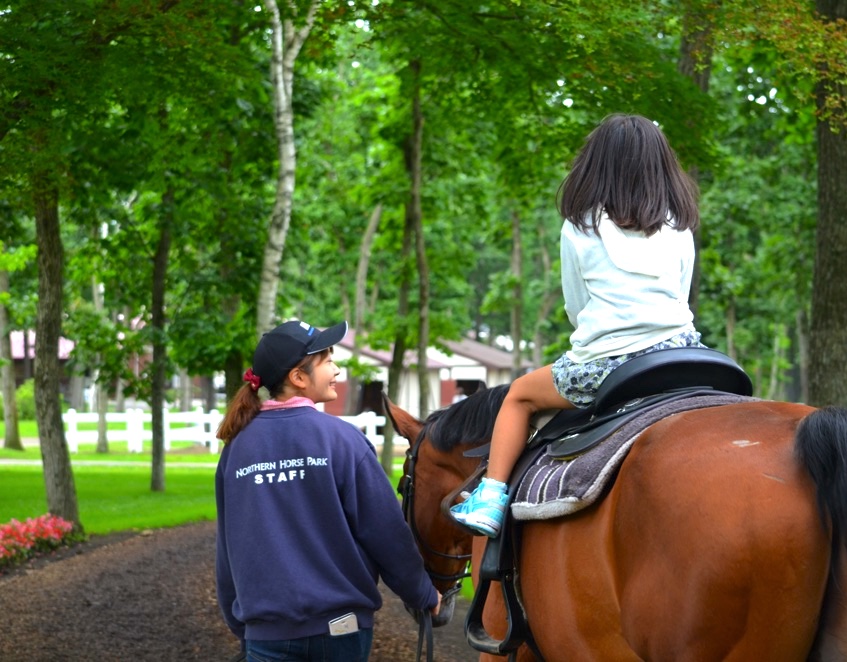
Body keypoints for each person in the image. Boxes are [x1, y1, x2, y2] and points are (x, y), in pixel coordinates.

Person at [450, 113, 703, 538]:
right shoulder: (678, 225)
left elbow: (576, 304)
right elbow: (681, 293)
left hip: (607, 363)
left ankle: (492, 496)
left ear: (596, 165)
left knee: (518, 398)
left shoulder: (579, 225)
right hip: (681, 350)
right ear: (661, 166)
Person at [214, 319, 441, 662]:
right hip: (341, 633)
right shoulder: (344, 440)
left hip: (265, 636)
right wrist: (422, 594)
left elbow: (229, 547)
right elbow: (386, 531)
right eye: (327, 360)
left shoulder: (237, 449)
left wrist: (241, 624)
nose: (337, 369)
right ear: (299, 377)